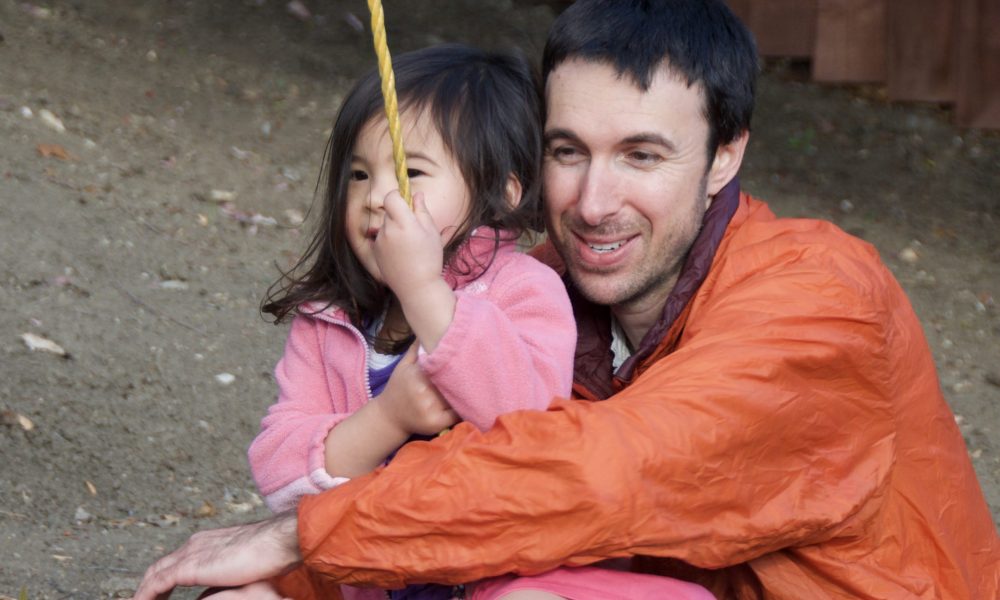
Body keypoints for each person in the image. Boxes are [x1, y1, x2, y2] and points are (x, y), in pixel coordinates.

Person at [133, 2, 1000, 599]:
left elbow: (605, 474)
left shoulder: (819, 299)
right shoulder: (539, 285)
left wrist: (303, 535)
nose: (592, 202)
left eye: (642, 156)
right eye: (568, 151)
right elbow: (468, 477)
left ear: (725, 157)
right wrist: (287, 580)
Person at [235, 43, 709, 600]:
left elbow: (527, 422)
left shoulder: (523, 289)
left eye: (409, 172)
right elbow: (281, 477)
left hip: (503, 579)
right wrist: (388, 418)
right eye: (359, 174)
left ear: (499, 194)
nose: (376, 197)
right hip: (371, 580)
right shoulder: (330, 319)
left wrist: (424, 291)